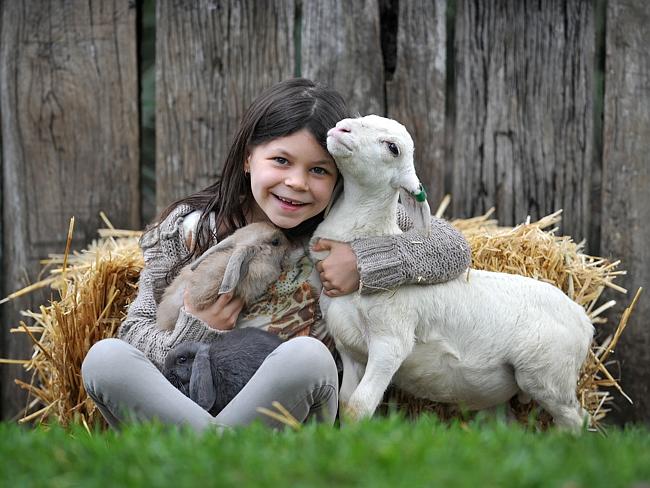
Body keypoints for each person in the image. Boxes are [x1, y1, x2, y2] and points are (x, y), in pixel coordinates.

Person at [81, 78, 471, 432]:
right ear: (249, 157)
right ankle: (222, 455)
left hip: (288, 422)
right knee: (105, 359)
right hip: (187, 403)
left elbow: (453, 248)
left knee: (308, 358)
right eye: (281, 161)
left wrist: (364, 263)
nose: (297, 182)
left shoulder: (349, 223)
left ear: (340, 178)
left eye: (319, 170)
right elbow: (135, 333)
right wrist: (195, 329)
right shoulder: (191, 228)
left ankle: (203, 460)